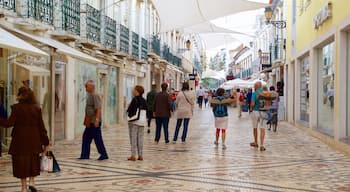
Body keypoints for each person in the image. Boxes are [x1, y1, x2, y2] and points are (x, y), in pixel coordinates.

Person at [0, 87, 50, 192]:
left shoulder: (16, 108)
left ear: (20, 96)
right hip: (34, 141)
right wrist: (46, 142)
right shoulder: (37, 108)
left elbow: (9, 123)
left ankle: (23, 188)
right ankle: (32, 182)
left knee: (21, 164)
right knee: (33, 162)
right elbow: (41, 127)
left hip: (20, 141)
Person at [79, 80, 108, 160]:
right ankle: (84, 155)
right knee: (86, 138)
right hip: (90, 121)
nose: (85, 88)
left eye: (86, 86)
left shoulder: (95, 95)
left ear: (91, 87)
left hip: (94, 121)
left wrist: (97, 120)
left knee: (98, 139)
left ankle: (104, 154)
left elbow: (98, 108)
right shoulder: (90, 95)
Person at [127, 85, 147, 161]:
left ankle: (133, 155)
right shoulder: (144, 100)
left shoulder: (134, 99)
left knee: (133, 138)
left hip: (134, 121)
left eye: (134, 90)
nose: (133, 91)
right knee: (140, 138)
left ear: (137, 92)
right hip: (142, 122)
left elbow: (130, 110)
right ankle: (140, 155)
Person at [250, 81, 267, 151]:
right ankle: (262, 145)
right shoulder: (265, 93)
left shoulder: (254, 93)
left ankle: (256, 142)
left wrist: (250, 106)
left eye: (254, 86)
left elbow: (252, 104)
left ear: (257, 86)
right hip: (263, 112)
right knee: (262, 129)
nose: (254, 87)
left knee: (255, 128)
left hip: (255, 112)